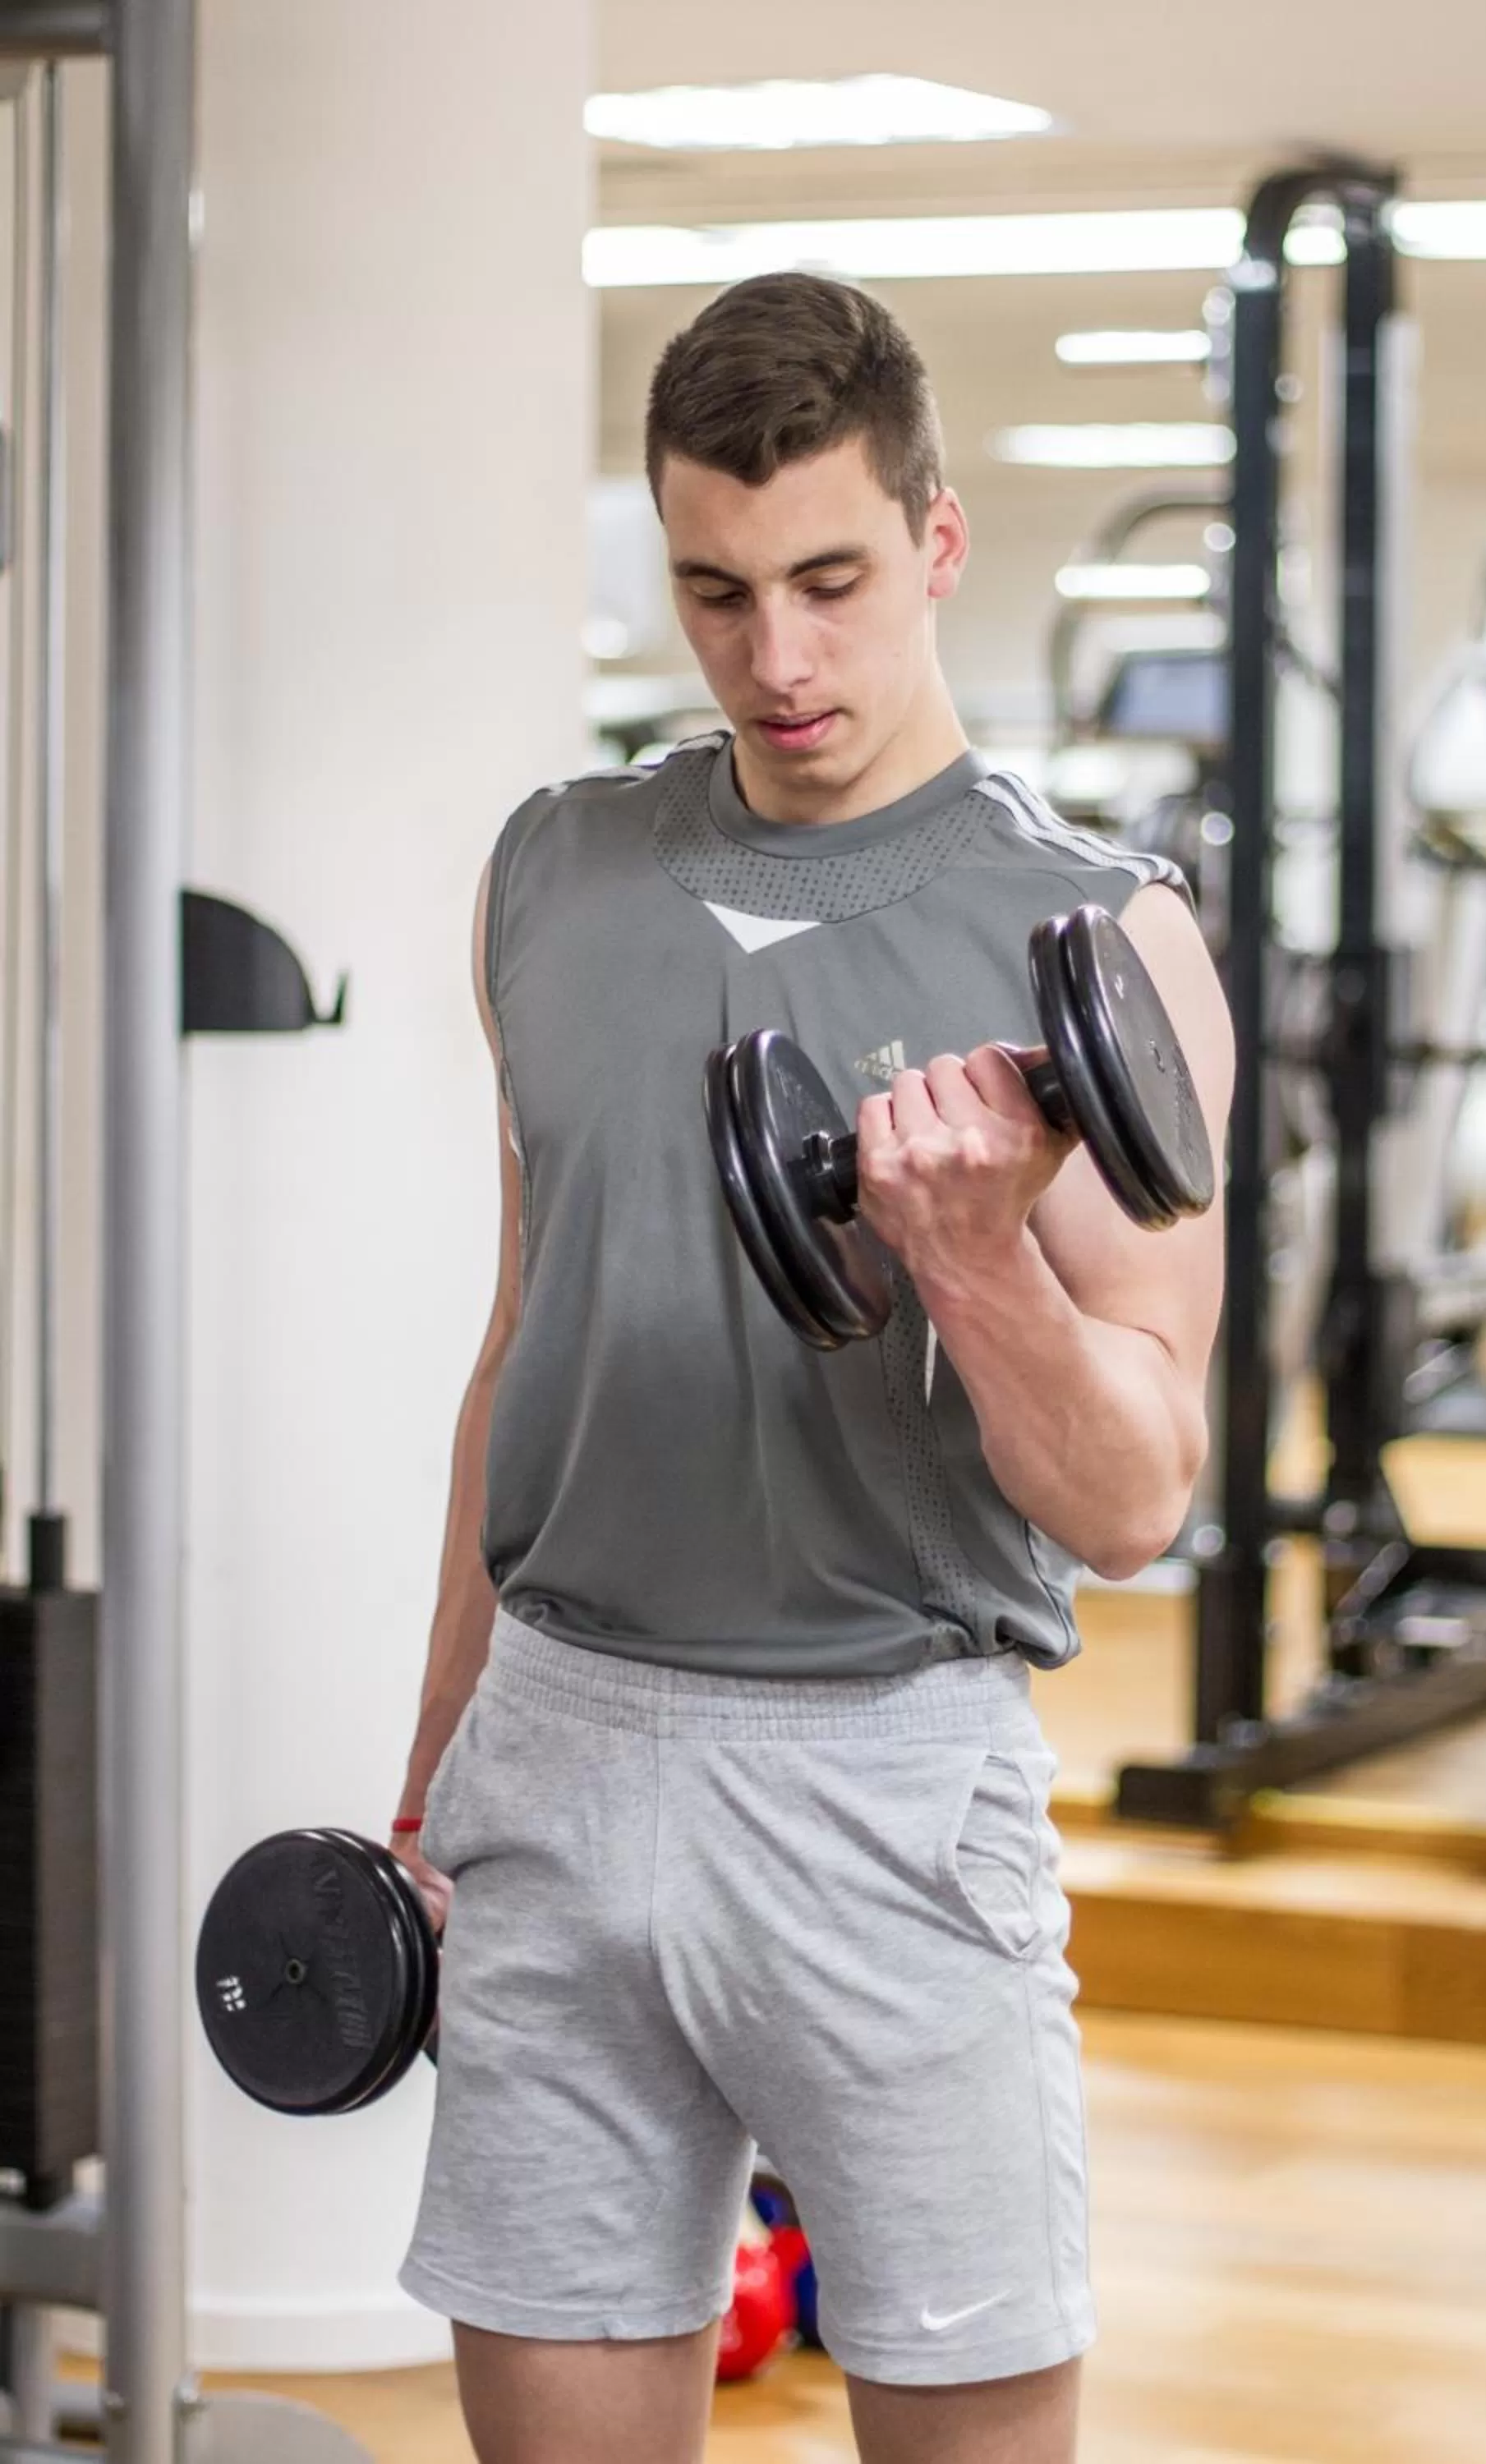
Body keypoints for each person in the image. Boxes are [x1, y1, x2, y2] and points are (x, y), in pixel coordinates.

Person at [392, 271, 1234, 2464]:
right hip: (556, 1745)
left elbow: (1137, 1497)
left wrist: (976, 1265)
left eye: (833, 581)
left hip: (883, 1775)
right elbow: (523, 1341)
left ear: (938, 544)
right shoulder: (553, 874)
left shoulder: (1101, 938)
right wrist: (435, 1767)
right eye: (718, 592)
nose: (778, 659)